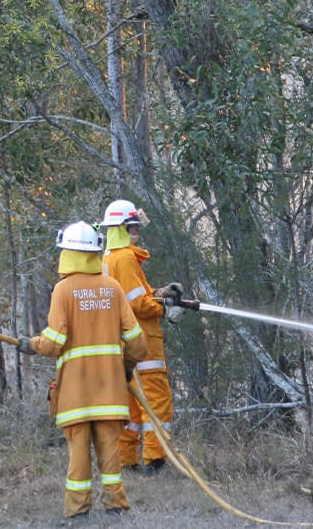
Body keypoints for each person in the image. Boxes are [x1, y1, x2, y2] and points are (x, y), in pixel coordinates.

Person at [19, 221, 148, 519]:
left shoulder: (63, 290)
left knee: (78, 458)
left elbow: (54, 343)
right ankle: (116, 508)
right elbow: (138, 344)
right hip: (110, 391)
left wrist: (30, 344)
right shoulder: (112, 288)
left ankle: (78, 514)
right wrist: (126, 366)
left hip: (76, 394)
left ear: (67, 253)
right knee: (111, 456)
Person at [100, 199, 184, 476]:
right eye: (133, 225)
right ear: (122, 227)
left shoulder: (109, 258)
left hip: (120, 341)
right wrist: (163, 308)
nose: (137, 230)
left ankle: (127, 460)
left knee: (131, 405)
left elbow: (137, 294)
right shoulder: (124, 257)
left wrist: (162, 293)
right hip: (143, 341)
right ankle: (155, 458)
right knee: (155, 401)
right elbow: (137, 303)